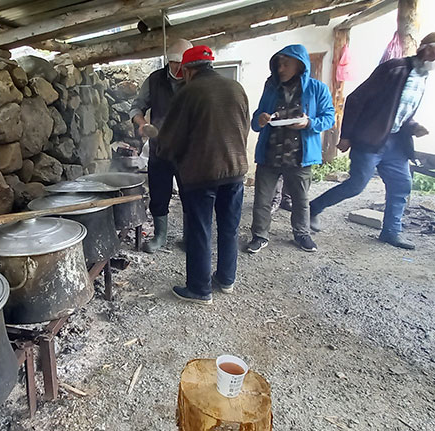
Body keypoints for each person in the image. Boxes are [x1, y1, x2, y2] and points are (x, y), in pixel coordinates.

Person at [310, 32, 435, 249]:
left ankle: (391, 232)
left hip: (396, 142)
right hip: (370, 140)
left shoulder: (423, 77)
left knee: (401, 185)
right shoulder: (393, 69)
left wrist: (413, 126)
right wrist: (346, 135)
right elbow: (356, 98)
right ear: (427, 49)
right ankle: (313, 208)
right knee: (356, 185)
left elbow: (399, 111)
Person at [157, 45, 250, 305]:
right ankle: (226, 279)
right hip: (235, 171)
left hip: (202, 173)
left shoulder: (189, 93)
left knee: (200, 230)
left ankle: (199, 289)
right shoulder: (236, 88)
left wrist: (164, 152)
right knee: (229, 228)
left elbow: (171, 137)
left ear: (187, 70)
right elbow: (244, 128)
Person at [247, 44, 335, 254]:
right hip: (269, 154)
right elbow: (256, 121)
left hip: (300, 156)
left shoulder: (317, 89)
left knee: (300, 199)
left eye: (285, 63)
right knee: (262, 199)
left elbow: (329, 118)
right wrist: (260, 119)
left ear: (299, 64)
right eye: (278, 64)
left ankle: (302, 234)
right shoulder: (271, 88)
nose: (280, 68)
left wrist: (309, 123)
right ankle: (259, 236)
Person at [130, 38, 194, 253]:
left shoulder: (195, 79)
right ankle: (160, 236)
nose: (179, 68)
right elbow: (136, 107)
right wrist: (142, 124)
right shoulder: (155, 79)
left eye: (183, 63)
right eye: (174, 62)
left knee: (190, 194)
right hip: (159, 148)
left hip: (188, 151)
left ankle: (190, 236)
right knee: (159, 193)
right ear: (168, 60)